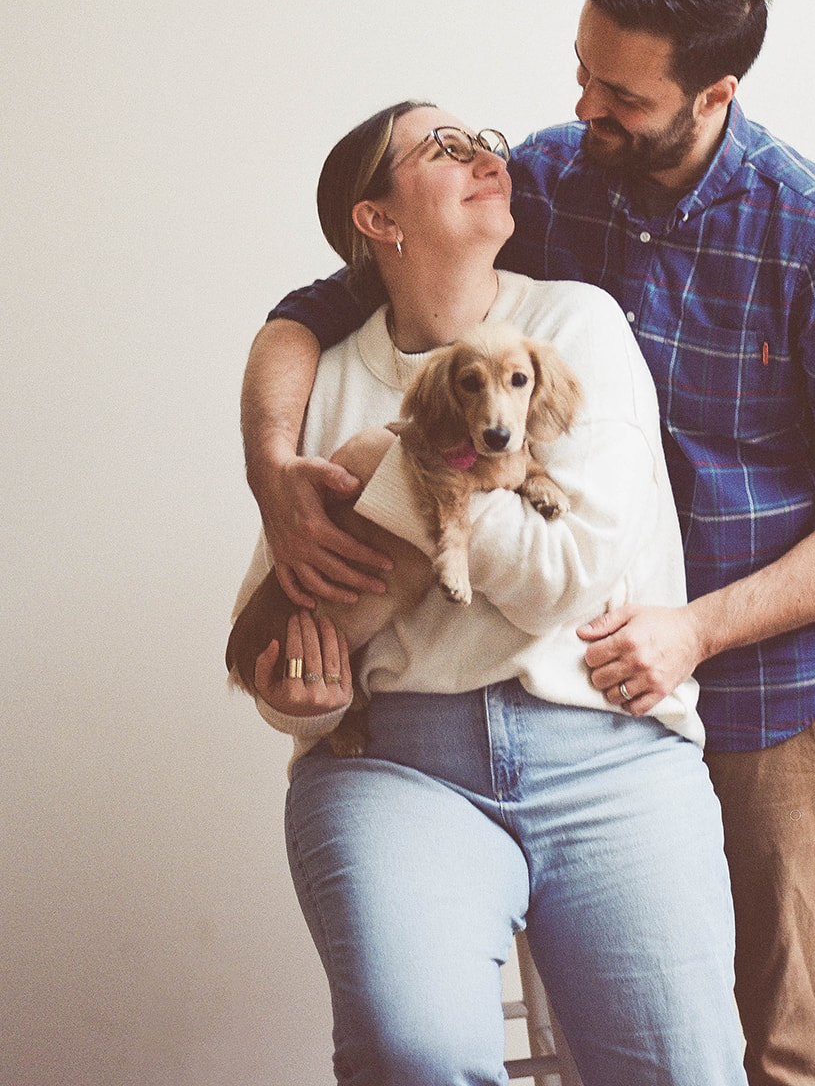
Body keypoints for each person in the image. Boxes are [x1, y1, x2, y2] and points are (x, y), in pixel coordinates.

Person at [243, 0, 815, 1086]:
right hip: (576, 681)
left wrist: (696, 628)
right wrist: (275, 466)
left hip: (776, 693)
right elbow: (331, 299)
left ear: (712, 94)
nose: (580, 106)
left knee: (775, 1049)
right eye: (581, 70)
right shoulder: (564, 179)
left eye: (618, 91)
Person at [232, 99, 749, 1086]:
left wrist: (380, 464)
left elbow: (562, 578)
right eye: (442, 147)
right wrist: (301, 696)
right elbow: (285, 616)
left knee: (685, 1072)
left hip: (609, 752)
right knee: (411, 1055)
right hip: (395, 766)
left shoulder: (572, 326)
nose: (483, 155)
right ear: (376, 220)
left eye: (485, 142)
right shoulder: (326, 375)